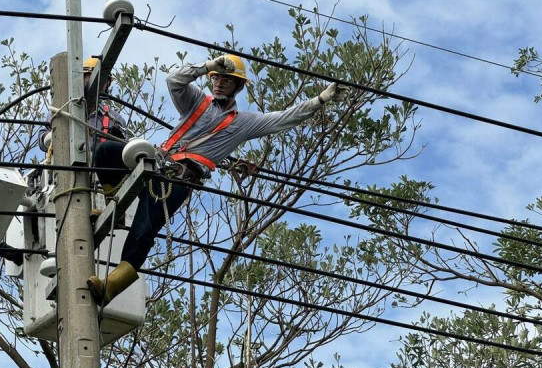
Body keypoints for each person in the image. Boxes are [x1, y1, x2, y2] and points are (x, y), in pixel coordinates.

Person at [87, 54, 344, 306]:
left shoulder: (243, 123)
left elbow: (283, 118)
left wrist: (320, 100)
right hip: (155, 163)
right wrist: (206, 66)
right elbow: (173, 80)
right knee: (106, 151)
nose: (219, 83)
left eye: (226, 80)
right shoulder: (196, 101)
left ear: (238, 86)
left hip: (179, 179)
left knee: (143, 230)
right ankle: (116, 206)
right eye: (216, 78)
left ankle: (110, 286)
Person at [37, 56, 129, 155]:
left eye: (104, 79)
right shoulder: (61, 111)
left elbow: (126, 152)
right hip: (68, 166)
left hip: (103, 168)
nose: (100, 82)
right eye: (94, 76)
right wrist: (58, 135)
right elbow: (42, 142)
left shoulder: (115, 119)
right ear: (82, 78)